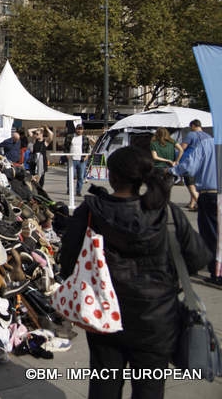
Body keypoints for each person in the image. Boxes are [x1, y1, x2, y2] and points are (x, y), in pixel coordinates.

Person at [60, 146, 211, 399]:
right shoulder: (168, 213)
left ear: (112, 176)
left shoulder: (91, 212)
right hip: (157, 318)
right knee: (149, 389)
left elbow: (67, 262)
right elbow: (197, 258)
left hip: (103, 315)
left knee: (104, 387)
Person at [171, 122, 220, 285]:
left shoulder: (206, 144)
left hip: (211, 194)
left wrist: (171, 170)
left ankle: (217, 273)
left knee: (212, 235)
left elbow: (189, 167)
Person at [178, 119, 207, 211]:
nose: (190, 128)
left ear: (193, 126)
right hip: (203, 163)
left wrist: (177, 158)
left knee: (190, 183)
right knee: (196, 184)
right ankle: (192, 203)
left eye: (191, 127)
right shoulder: (208, 136)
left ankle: (200, 204)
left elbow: (182, 147)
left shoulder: (191, 134)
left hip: (190, 162)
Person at [63, 124, 92, 195]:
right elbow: (65, 147)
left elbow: (88, 148)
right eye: (78, 129)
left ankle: (78, 191)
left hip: (81, 160)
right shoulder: (70, 136)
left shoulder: (85, 138)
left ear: (83, 130)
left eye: (81, 129)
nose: (79, 130)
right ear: (76, 129)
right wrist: (67, 155)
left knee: (81, 177)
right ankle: (69, 190)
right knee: (70, 176)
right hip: (72, 159)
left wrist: (86, 156)